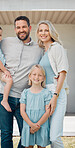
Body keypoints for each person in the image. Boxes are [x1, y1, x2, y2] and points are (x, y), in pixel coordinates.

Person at [0, 16, 43, 148]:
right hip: (3, 94)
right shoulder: (4, 42)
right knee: (6, 133)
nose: (21, 30)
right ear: (15, 29)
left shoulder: (39, 48)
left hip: (24, 98)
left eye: (23, 27)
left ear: (29, 28)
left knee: (27, 134)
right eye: (18, 27)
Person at [36, 20, 69, 148]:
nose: (43, 33)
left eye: (46, 30)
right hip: (44, 94)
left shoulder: (57, 48)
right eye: (40, 30)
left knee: (54, 136)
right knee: (44, 136)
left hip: (57, 93)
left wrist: (55, 96)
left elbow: (63, 72)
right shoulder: (43, 51)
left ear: (51, 32)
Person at [20, 64, 51, 148]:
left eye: (40, 75)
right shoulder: (25, 93)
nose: (37, 77)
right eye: (34, 74)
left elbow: (48, 111)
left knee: (41, 146)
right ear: (30, 76)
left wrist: (37, 125)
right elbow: (22, 111)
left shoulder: (46, 93)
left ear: (43, 78)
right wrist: (31, 125)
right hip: (28, 125)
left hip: (42, 125)